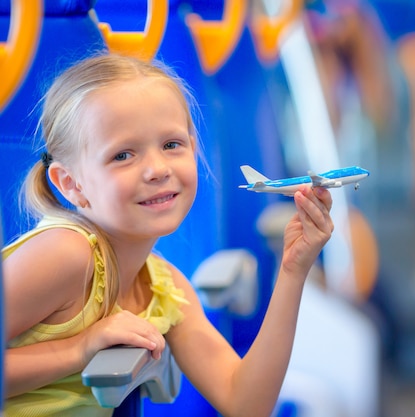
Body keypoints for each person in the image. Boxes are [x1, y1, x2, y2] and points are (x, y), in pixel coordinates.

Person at [2, 53, 334, 417]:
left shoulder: (164, 287)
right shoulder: (66, 254)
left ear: (194, 147)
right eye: (123, 155)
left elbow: (246, 403)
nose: (157, 169)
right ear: (72, 185)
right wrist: (80, 349)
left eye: (171, 145)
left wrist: (292, 271)